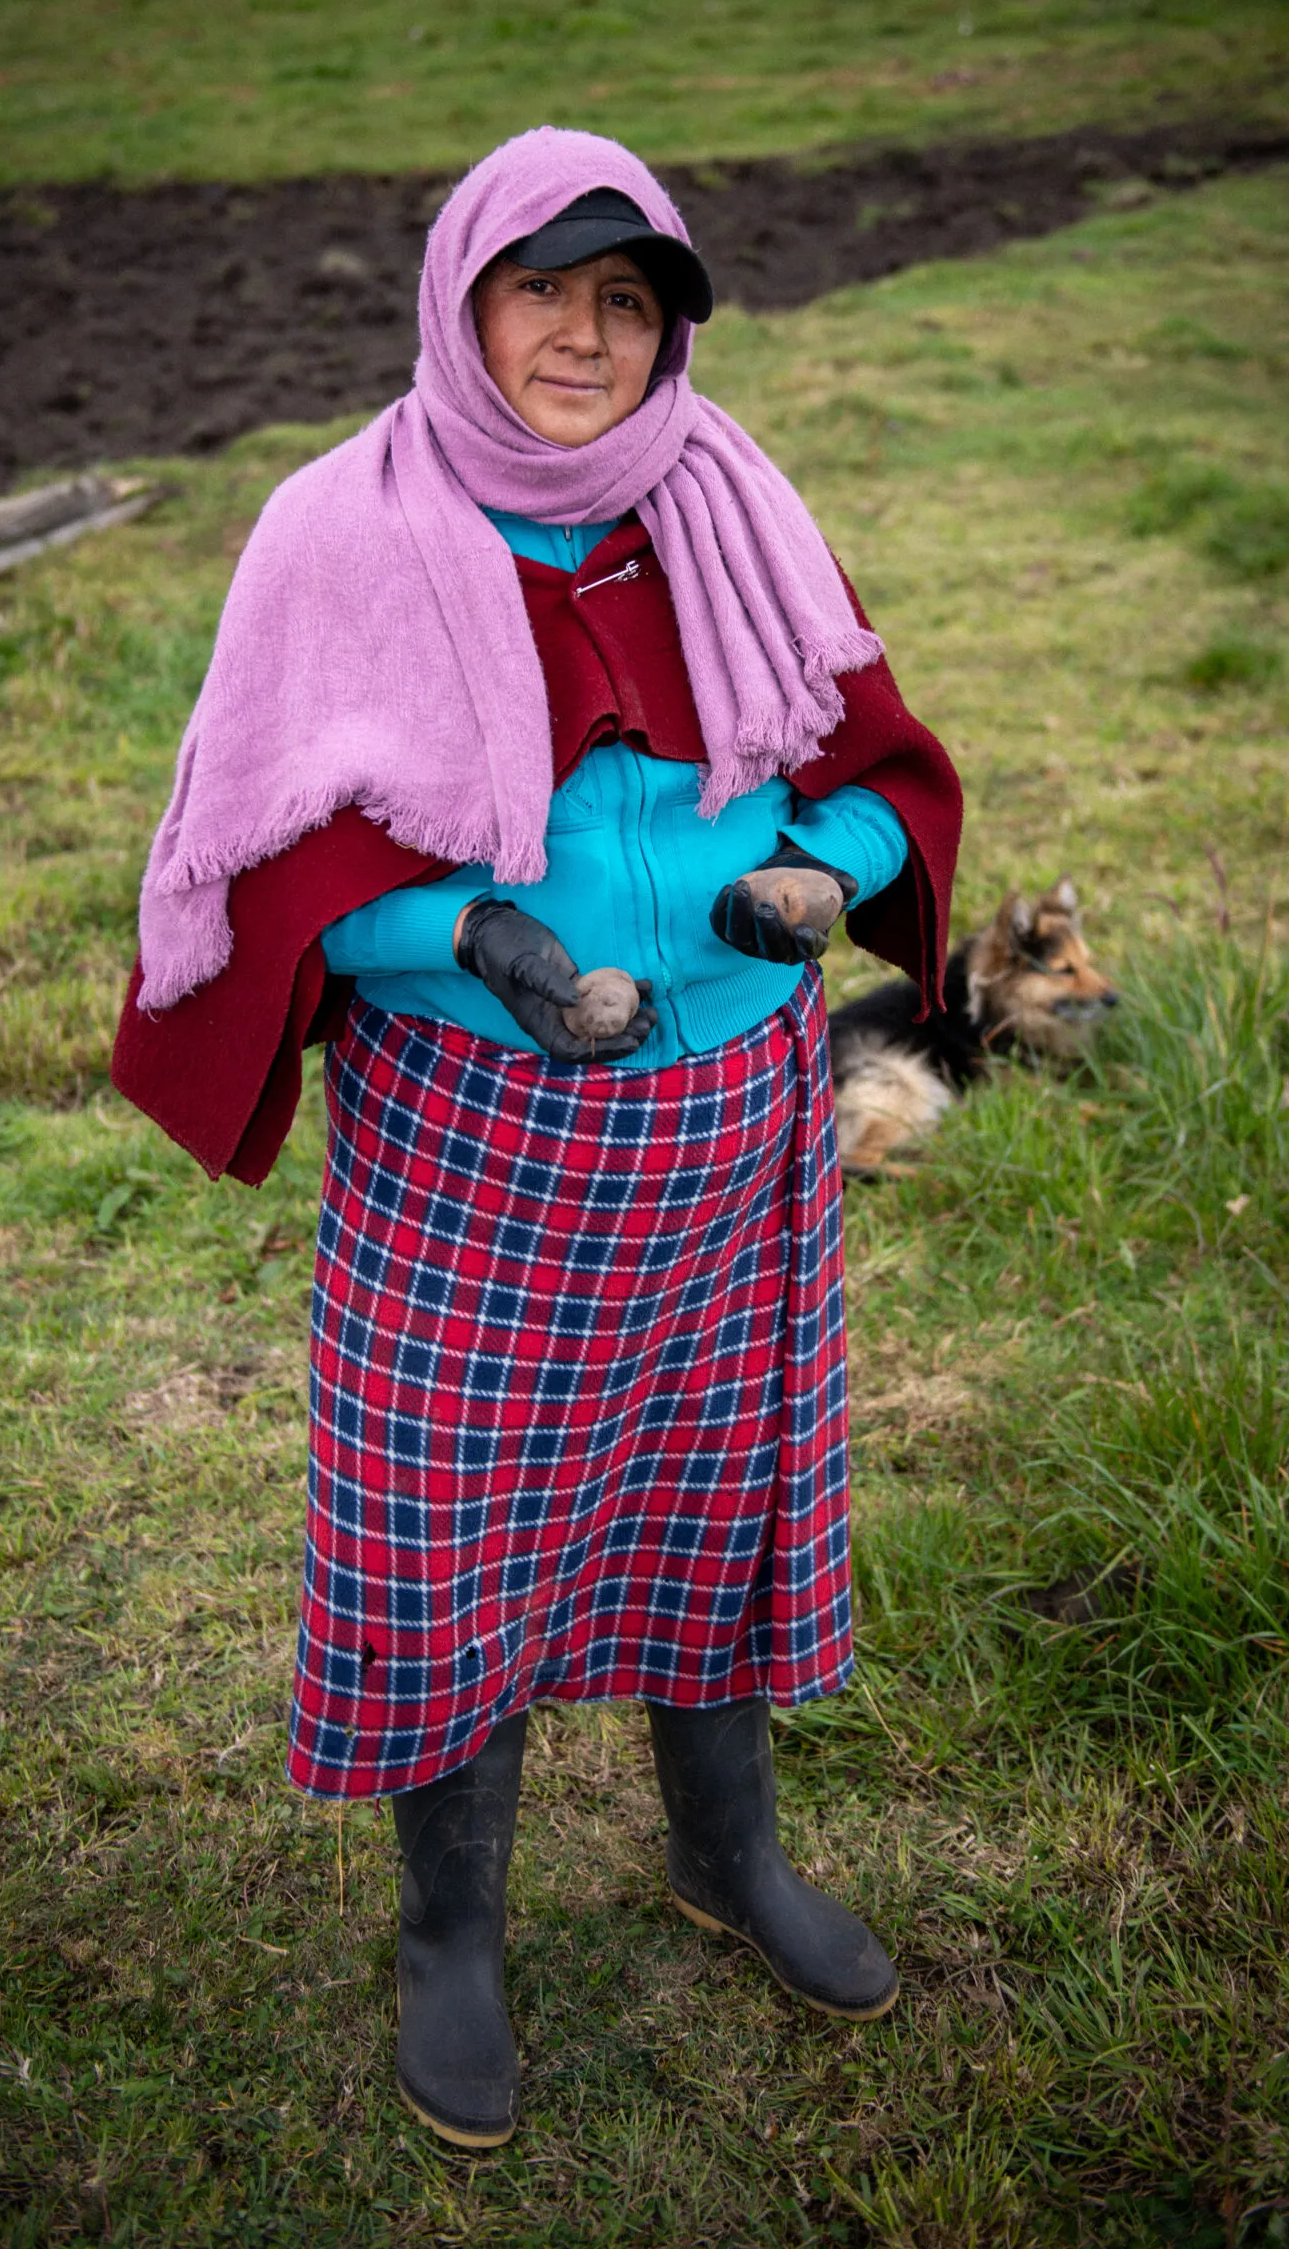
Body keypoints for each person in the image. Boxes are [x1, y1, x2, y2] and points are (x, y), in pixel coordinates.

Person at [113, 128, 961, 2150]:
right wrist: (474, 933)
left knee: (717, 1478)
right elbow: (275, 847)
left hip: (728, 1115)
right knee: (445, 1514)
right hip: (474, 1129)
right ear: (464, 300)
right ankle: (450, 1932)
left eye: (628, 300)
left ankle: (727, 1855)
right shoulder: (342, 528)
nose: (586, 337)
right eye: (545, 294)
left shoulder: (732, 500)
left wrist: (821, 877)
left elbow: (869, 761)